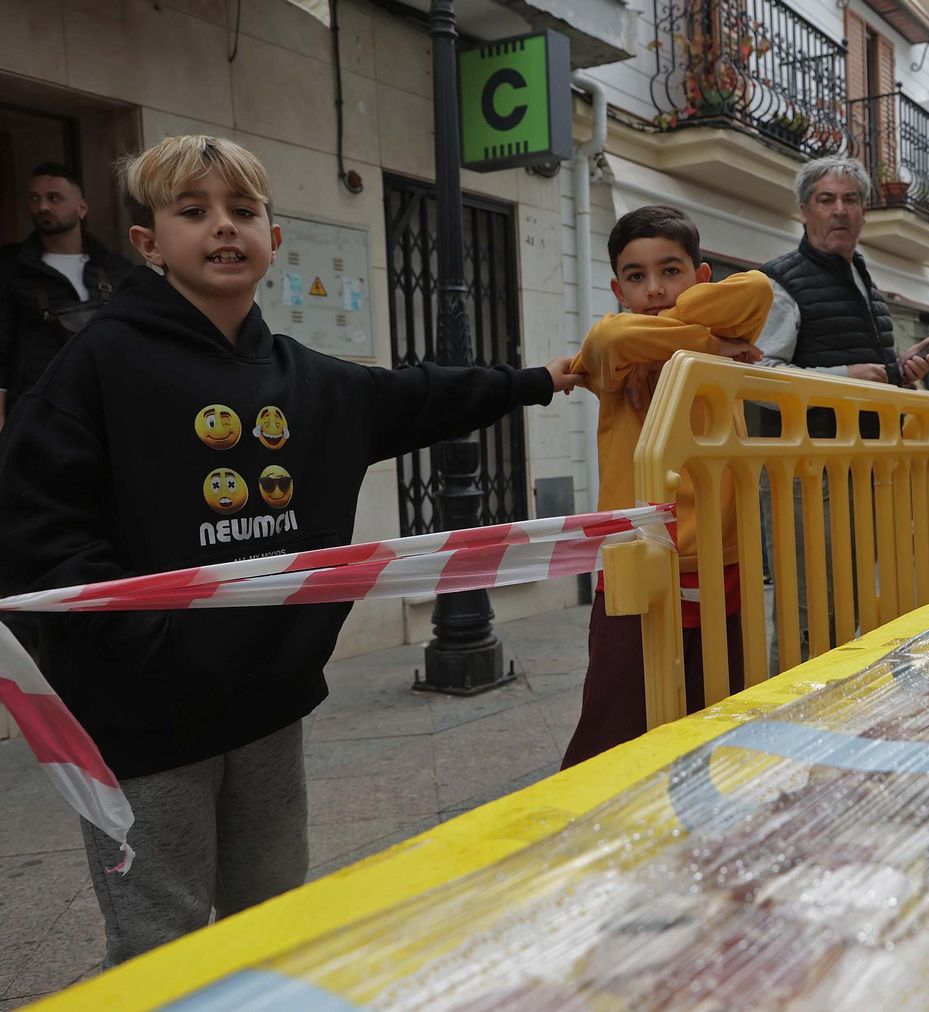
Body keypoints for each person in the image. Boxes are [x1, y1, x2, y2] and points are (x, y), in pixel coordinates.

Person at [0, 135, 580, 965]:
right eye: (193, 211)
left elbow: (420, 396)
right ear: (147, 242)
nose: (224, 229)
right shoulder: (96, 363)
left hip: (269, 704)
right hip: (141, 720)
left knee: (272, 926)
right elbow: (34, 527)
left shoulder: (309, 379)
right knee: (160, 945)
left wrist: (542, 378)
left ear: (276, 239)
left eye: (244, 210)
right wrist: (142, 644)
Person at [561, 205, 770, 766]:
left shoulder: (725, 324)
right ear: (617, 288)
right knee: (615, 715)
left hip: (720, 556)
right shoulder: (618, 355)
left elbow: (756, 288)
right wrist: (713, 346)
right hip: (636, 555)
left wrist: (687, 333)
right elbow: (608, 339)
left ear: (701, 278)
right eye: (636, 277)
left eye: (670, 271)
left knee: (717, 712)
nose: (653, 289)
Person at [756, 156, 929, 668]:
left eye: (850, 200)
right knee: (809, 615)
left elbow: (859, 366)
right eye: (826, 200)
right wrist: (845, 378)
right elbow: (760, 378)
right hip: (808, 473)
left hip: (860, 466)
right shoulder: (780, 281)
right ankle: (788, 723)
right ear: (804, 212)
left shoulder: (861, 278)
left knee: (849, 606)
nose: (839, 211)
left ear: (863, 213)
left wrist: (897, 371)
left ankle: (833, 710)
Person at [0, 161, 134, 430]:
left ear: (81, 208)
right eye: (34, 198)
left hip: (106, 406)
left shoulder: (116, 270)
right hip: (37, 409)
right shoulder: (10, 266)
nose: (42, 207)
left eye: (54, 197)